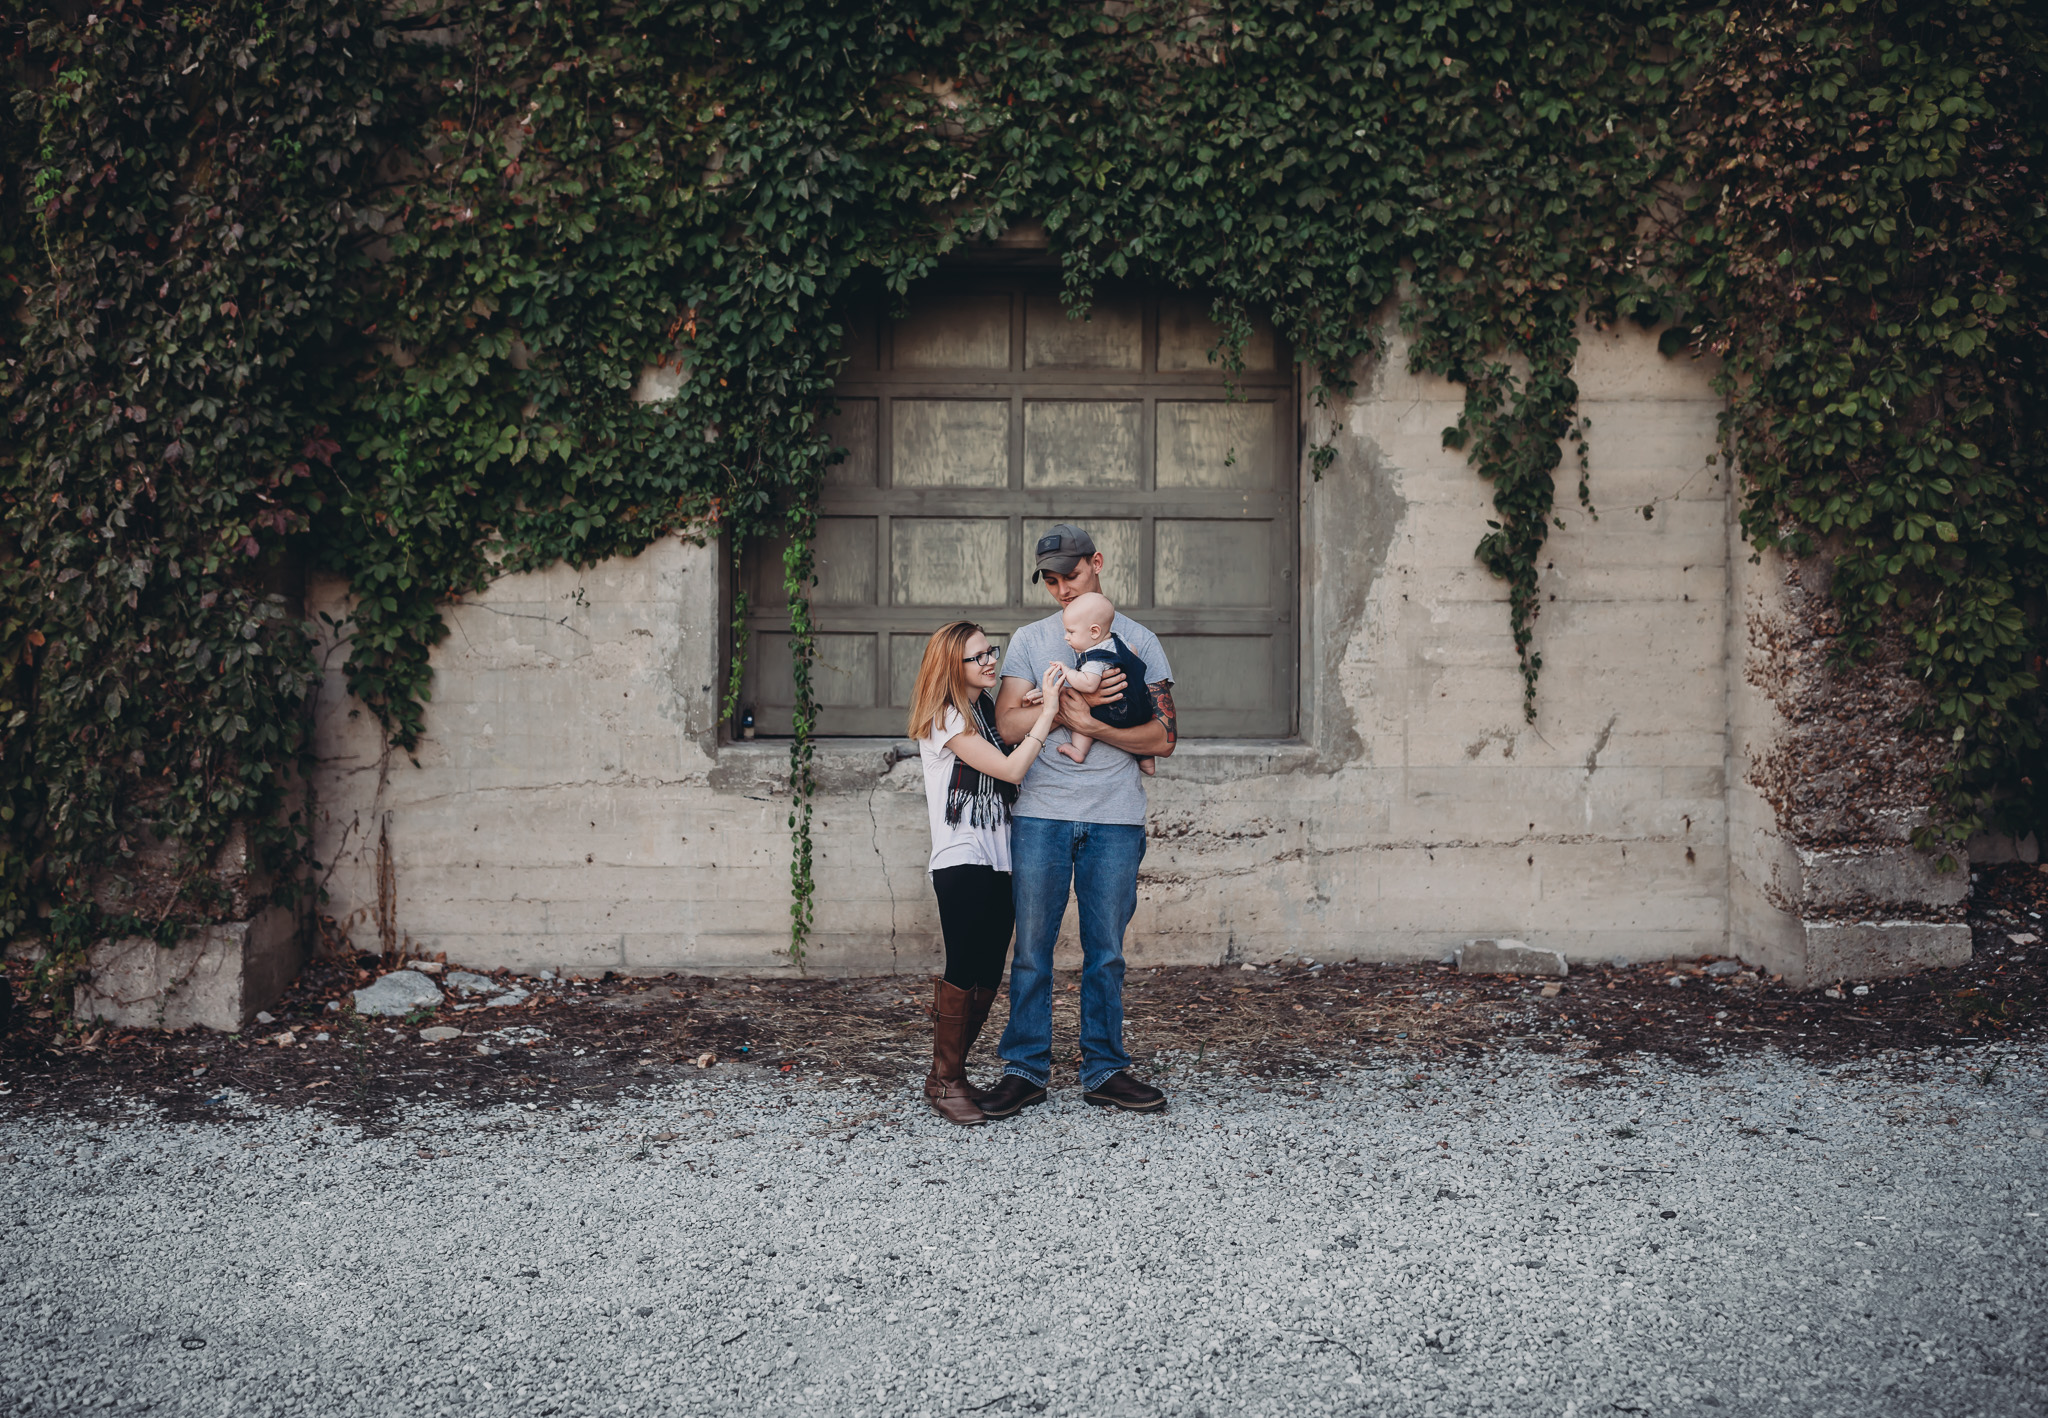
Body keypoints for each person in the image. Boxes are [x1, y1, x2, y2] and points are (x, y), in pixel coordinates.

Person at [979, 524, 1178, 1118]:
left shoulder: (1140, 643)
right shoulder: (1029, 640)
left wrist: (1091, 727)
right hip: (1040, 813)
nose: (1062, 590)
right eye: (1051, 580)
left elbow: (1164, 737)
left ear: (1097, 563)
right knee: (1033, 949)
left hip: (1115, 817)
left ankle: (1105, 1069)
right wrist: (1058, 703)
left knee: (1106, 952)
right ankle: (1025, 1069)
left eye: (1072, 575)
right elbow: (1007, 726)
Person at [906, 621, 1064, 1126]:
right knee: (963, 967)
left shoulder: (983, 715)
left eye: (989, 651)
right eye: (977, 657)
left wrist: (1037, 704)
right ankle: (945, 1080)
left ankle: (949, 1073)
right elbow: (1012, 770)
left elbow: (1007, 755)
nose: (990, 661)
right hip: (961, 856)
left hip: (1000, 857)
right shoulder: (946, 718)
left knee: (989, 973)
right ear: (953, 665)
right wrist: (1051, 715)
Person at [1022, 589, 1156, 775]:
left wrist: (1067, 671)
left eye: (1071, 632)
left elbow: (1089, 684)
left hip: (1116, 710)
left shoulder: (1094, 659)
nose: (1066, 637)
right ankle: (1147, 761)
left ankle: (1078, 750)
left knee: (1083, 717)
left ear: (1094, 632)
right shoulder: (1119, 641)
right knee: (1136, 724)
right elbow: (1133, 653)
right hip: (1142, 708)